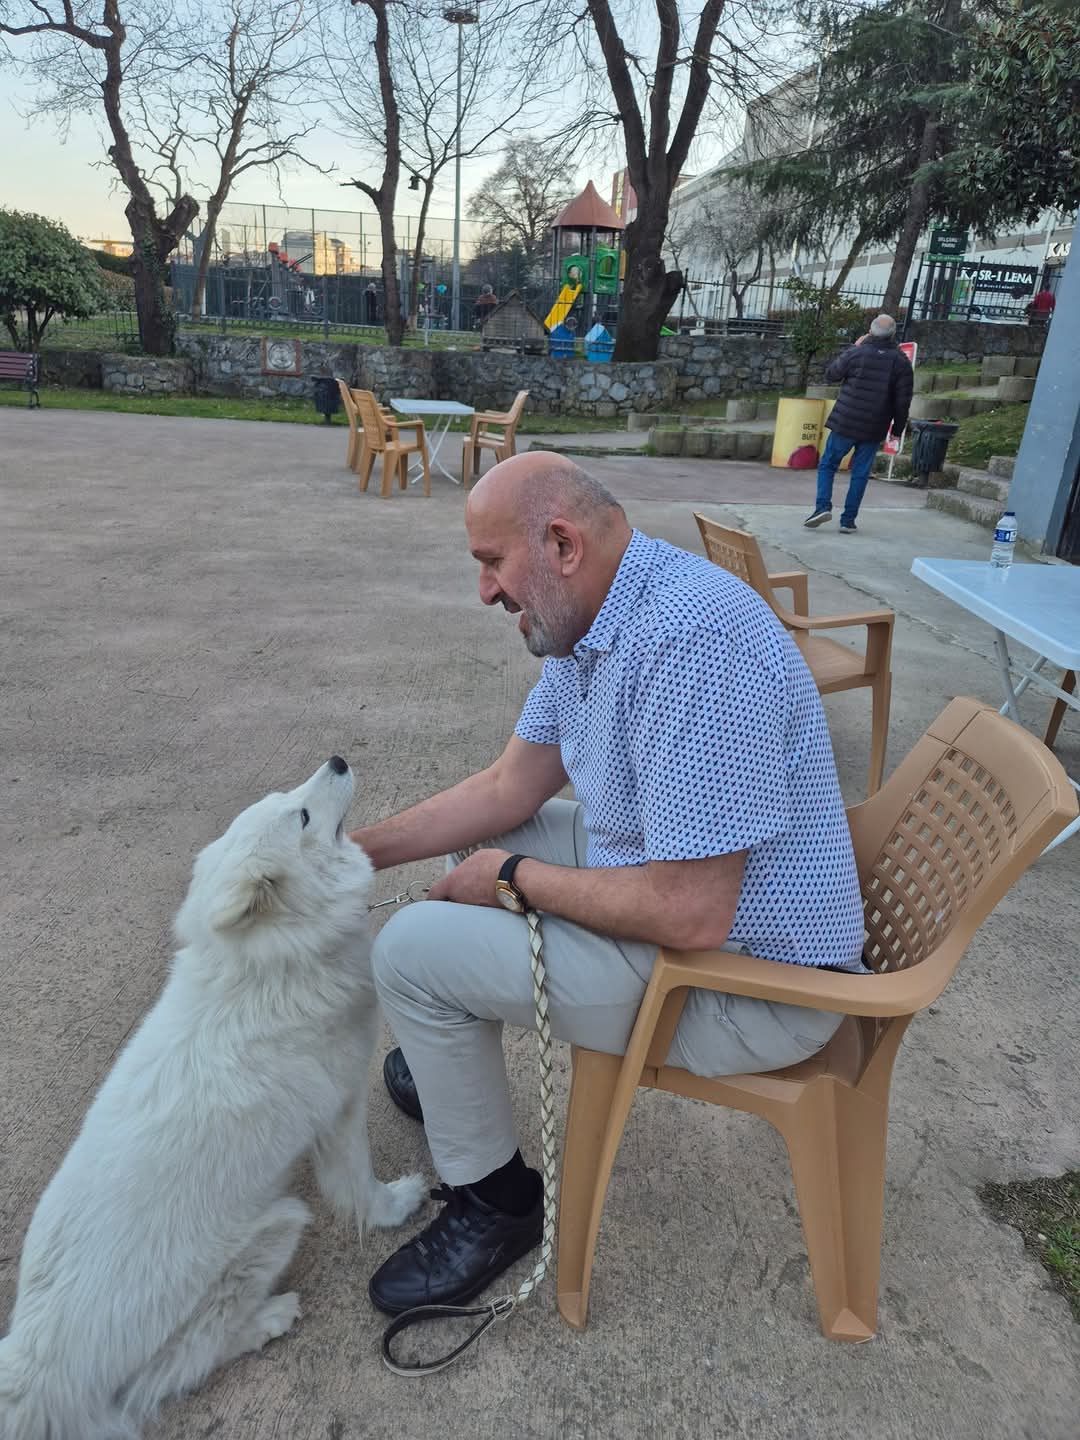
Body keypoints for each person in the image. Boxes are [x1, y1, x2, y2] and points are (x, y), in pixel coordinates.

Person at [350, 452, 868, 1317]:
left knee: (407, 954)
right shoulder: (596, 612)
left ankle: (496, 1205)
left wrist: (514, 878)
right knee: (487, 840)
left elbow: (692, 912)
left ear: (560, 543)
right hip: (694, 907)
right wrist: (349, 854)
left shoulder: (691, 643)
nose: (485, 592)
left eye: (490, 562)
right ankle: (452, 1069)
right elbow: (505, 790)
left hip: (746, 984)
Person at [804, 313, 913, 534]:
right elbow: (903, 401)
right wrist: (898, 430)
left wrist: (853, 347)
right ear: (893, 334)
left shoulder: (857, 352)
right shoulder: (901, 361)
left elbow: (831, 374)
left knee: (828, 465)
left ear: (871, 331)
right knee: (860, 473)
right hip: (874, 426)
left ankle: (822, 507)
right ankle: (848, 521)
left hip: (846, 421)